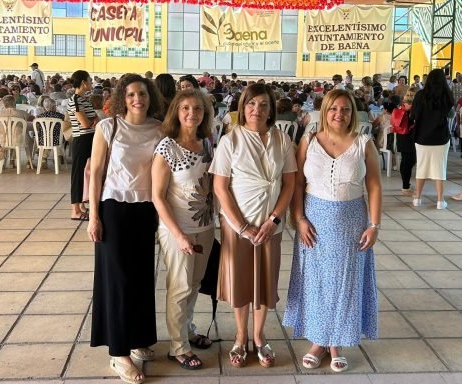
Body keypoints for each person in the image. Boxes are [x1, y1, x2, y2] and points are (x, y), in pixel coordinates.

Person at [283, 88, 380, 373]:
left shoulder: (364, 143)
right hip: (314, 220)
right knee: (316, 281)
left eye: (345, 109)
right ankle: (318, 340)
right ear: (324, 111)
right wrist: (299, 218)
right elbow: (298, 183)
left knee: (344, 283)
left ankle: (336, 342)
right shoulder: (309, 140)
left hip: (351, 220)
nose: (339, 114)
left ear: (353, 113)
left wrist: (374, 224)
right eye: (333, 109)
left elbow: (374, 185)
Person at [209, 83, 296, 369]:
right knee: (240, 282)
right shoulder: (229, 141)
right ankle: (240, 336)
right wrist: (242, 227)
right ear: (242, 107)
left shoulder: (282, 140)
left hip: (270, 225)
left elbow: (289, 183)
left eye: (263, 105)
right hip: (237, 225)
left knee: (264, 282)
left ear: (271, 110)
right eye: (251, 104)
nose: (256, 110)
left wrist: (274, 220)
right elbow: (220, 188)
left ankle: (259, 337)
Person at [88, 73, 164, 384]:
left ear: (151, 97)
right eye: (131, 94)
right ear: (123, 97)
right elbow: (94, 173)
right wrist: (93, 215)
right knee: (117, 280)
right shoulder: (108, 126)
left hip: (146, 209)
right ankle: (118, 353)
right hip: (114, 209)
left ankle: (138, 338)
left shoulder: (159, 129)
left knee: (142, 277)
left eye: (142, 94)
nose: (137, 99)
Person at [151, 89, 215, 370]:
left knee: (195, 284)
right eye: (186, 108)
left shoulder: (208, 143)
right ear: (176, 112)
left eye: (198, 109)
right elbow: (157, 196)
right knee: (179, 287)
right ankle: (178, 347)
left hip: (205, 227)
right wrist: (178, 235)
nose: (192, 114)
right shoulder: (167, 147)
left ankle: (187, 331)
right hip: (177, 230)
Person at [411, 69, 454, 209]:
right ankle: (440, 201)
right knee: (440, 168)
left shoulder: (420, 95)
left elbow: (413, 115)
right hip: (441, 137)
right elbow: (451, 115)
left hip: (422, 137)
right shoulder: (447, 96)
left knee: (421, 167)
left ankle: (417, 198)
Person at [67, 70, 99, 221]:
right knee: (78, 174)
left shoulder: (85, 100)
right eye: (89, 80)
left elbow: (95, 118)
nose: (91, 83)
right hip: (81, 139)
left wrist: (92, 120)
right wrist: (91, 120)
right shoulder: (74, 100)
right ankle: (75, 209)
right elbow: (85, 123)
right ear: (83, 83)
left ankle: (81, 205)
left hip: (91, 138)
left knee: (89, 172)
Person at [397, 88, 417, 195]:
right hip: (409, 136)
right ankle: (405, 186)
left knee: (405, 160)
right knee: (410, 161)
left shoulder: (402, 106)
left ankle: (405, 184)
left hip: (401, 135)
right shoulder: (412, 108)